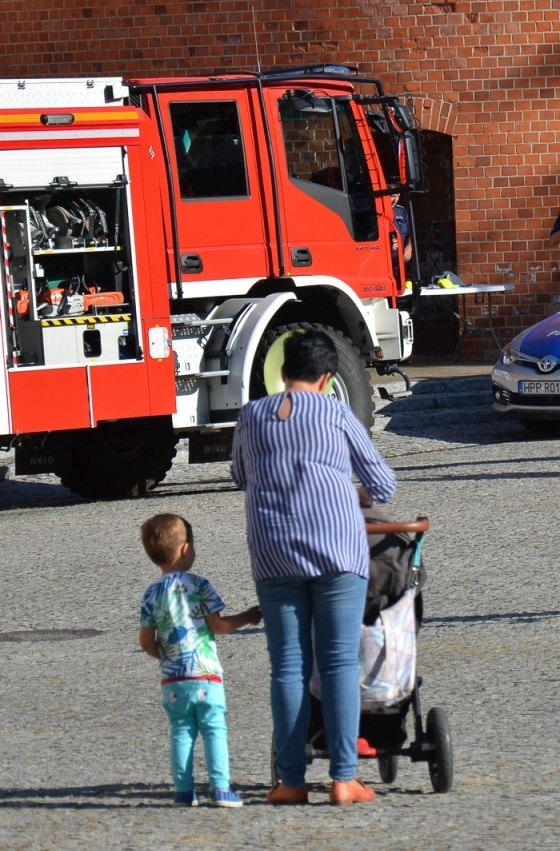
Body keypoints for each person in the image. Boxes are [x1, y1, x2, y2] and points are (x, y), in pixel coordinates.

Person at [230, 329, 397, 807]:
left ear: (282, 372)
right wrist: (348, 488)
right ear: (327, 377)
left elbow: (241, 475)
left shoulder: (251, 415)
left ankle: (291, 781)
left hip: (273, 552)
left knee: (287, 666)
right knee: (340, 661)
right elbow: (382, 484)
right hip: (336, 552)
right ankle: (344, 778)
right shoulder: (336, 411)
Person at [138, 513, 262, 808]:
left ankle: (184, 792)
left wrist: (166, 658)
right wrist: (249, 616)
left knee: (181, 732)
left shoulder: (151, 593)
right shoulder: (200, 585)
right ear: (185, 549)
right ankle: (220, 789)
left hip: (173, 679)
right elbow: (218, 625)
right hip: (206, 674)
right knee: (214, 730)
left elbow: (146, 641)